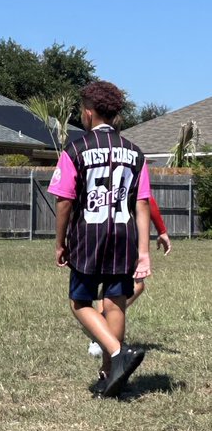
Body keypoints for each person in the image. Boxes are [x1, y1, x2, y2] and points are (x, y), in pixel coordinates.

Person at [49, 80, 151, 397]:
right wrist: (144, 252)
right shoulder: (135, 153)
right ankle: (110, 376)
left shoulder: (75, 149)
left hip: (89, 235)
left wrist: (60, 241)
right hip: (124, 235)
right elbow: (142, 202)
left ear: (89, 112)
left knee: (80, 302)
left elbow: (64, 201)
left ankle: (118, 353)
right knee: (115, 303)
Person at [87, 191, 170, 357]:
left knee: (110, 288)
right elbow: (146, 200)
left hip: (95, 231)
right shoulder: (133, 167)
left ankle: (101, 333)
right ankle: (100, 332)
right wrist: (161, 230)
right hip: (123, 232)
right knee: (134, 286)